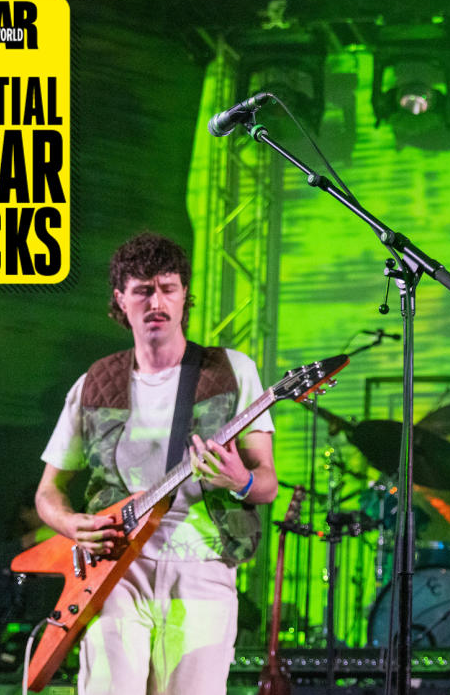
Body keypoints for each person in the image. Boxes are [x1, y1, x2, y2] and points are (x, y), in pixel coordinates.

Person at [34, 232, 277, 695]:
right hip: (115, 569)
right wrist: (69, 523)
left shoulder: (230, 369)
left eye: (168, 287)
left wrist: (239, 479)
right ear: (120, 300)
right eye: (143, 290)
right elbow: (48, 492)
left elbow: (266, 484)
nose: (156, 301)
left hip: (202, 566)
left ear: (185, 296)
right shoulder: (95, 381)